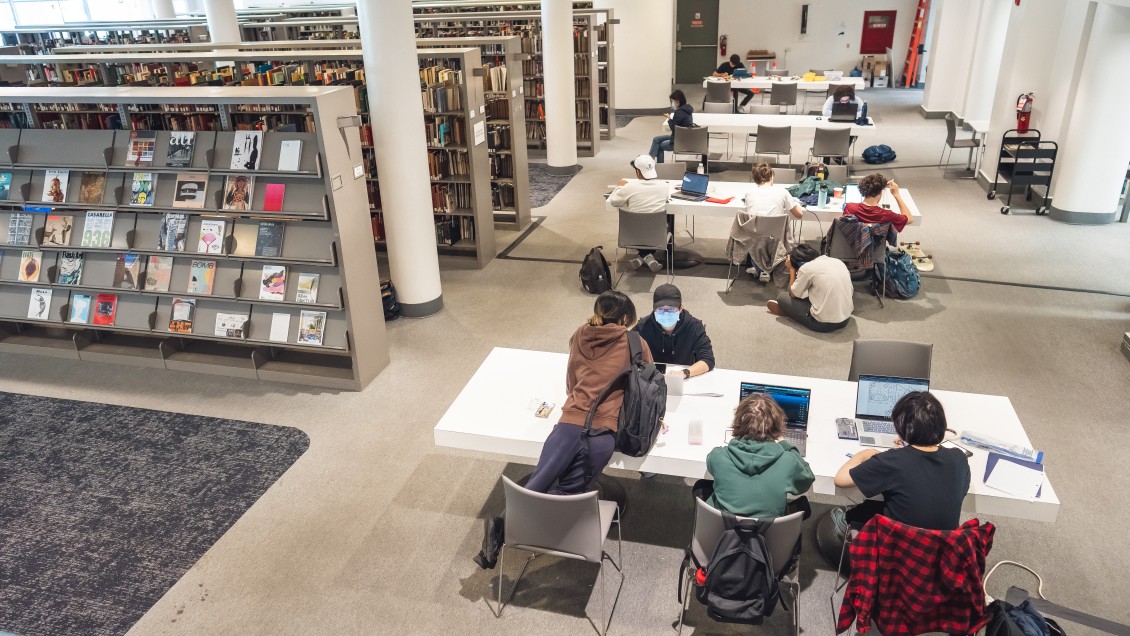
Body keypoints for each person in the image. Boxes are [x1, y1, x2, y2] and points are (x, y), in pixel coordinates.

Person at [524, 290, 653, 495]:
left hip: (567, 427)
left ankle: (514, 514)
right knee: (568, 494)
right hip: (603, 434)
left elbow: (571, 382)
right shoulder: (635, 342)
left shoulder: (579, 334)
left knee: (533, 490)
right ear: (625, 319)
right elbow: (647, 387)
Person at [832, 391, 971, 534]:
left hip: (897, 545)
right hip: (944, 545)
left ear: (900, 428)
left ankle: (845, 523)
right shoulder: (959, 459)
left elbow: (840, 479)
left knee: (871, 506)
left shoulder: (891, 461)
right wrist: (908, 451)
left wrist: (866, 453)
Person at [696, 393, 815, 518]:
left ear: (737, 422)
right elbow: (807, 478)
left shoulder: (718, 457)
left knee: (701, 486)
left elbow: (710, 462)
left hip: (722, 528)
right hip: (770, 530)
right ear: (777, 426)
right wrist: (784, 444)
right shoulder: (788, 462)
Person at [634, 283, 714, 379]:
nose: (666, 314)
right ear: (654, 309)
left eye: (671, 309)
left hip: (684, 377)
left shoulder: (694, 326)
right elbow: (631, 357)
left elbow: (708, 359)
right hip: (651, 378)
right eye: (661, 310)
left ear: (681, 308)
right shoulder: (642, 327)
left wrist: (685, 373)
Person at [767, 244, 853, 332]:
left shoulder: (806, 268)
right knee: (818, 293)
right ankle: (793, 310)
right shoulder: (837, 261)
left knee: (782, 297)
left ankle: (789, 311)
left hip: (822, 324)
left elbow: (792, 294)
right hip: (845, 319)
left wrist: (792, 269)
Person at [606, 154, 671, 272]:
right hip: (656, 236)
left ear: (638, 172)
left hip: (631, 235)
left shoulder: (629, 187)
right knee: (665, 223)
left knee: (640, 228)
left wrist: (620, 187)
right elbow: (667, 198)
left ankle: (642, 258)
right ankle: (648, 258)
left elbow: (614, 202)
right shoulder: (664, 186)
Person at [842, 172, 912, 233]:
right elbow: (909, 219)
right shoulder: (886, 215)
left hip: (851, 243)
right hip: (875, 244)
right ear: (880, 192)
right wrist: (896, 194)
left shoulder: (849, 207)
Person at [649, 89, 694, 164]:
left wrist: (669, 119)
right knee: (656, 139)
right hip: (682, 137)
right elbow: (678, 125)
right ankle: (650, 158)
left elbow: (674, 128)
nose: (672, 103)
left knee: (659, 145)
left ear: (677, 101)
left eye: (672, 101)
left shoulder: (679, 112)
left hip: (680, 142)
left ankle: (656, 165)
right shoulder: (687, 109)